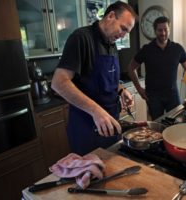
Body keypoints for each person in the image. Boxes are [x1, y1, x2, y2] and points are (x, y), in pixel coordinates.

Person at [51, 1, 137, 155]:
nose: (123, 35)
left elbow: (106, 77)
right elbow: (58, 82)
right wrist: (96, 111)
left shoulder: (112, 43)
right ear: (111, 16)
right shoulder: (81, 38)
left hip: (111, 123)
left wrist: (121, 90)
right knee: (93, 175)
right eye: (123, 28)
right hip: (87, 127)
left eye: (127, 32)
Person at [128, 16, 186, 120]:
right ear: (155, 31)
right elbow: (131, 68)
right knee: (157, 124)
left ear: (169, 29)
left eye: (165, 29)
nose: (163, 33)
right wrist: (138, 88)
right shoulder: (147, 49)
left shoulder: (177, 49)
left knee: (177, 121)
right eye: (160, 30)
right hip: (153, 96)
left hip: (172, 94)